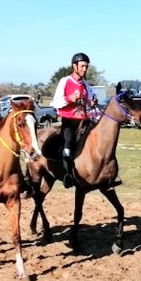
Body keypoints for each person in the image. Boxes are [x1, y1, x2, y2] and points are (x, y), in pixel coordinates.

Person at [51, 52, 94, 188]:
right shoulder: (65, 81)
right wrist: (70, 98)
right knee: (68, 147)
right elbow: (55, 103)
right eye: (82, 66)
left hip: (84, 121)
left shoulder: (86, 84)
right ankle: (68, 175)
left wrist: (91, 102)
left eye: (86, 67)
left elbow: (90, 100)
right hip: (69, 122)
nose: (84, 69)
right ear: (74, 66)